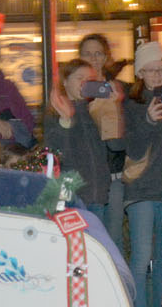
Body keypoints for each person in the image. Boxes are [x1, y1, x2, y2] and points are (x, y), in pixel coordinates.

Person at [120, 40, 162, 307]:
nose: (158, 75)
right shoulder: (132, 104)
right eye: (151, 70)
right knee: (142, 255)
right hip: (142, 188)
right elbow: (131, 148)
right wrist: (147, 120)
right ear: (140, 73)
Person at [43, 59, 111, 217]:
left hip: (96, 195)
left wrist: (111, 109)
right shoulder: (55, 113)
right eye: (80, 78)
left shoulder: (94, 111)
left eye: (90, 80)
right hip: (71, 197)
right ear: (65, 81)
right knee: (74, 241)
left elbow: (113, 147)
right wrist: (65, 121)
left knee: (94, 241)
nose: (85, 83)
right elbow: (56, 153)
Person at [77, 33, 127, 241]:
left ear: (106, 57)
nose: (93, 59)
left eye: (98, 53)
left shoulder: (120, 89)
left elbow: (125, 136)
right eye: (87, 54)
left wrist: (117, 106)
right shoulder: (73, 92)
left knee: (113, 236)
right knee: (89, 239)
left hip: (113, 172)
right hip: (85, 176)